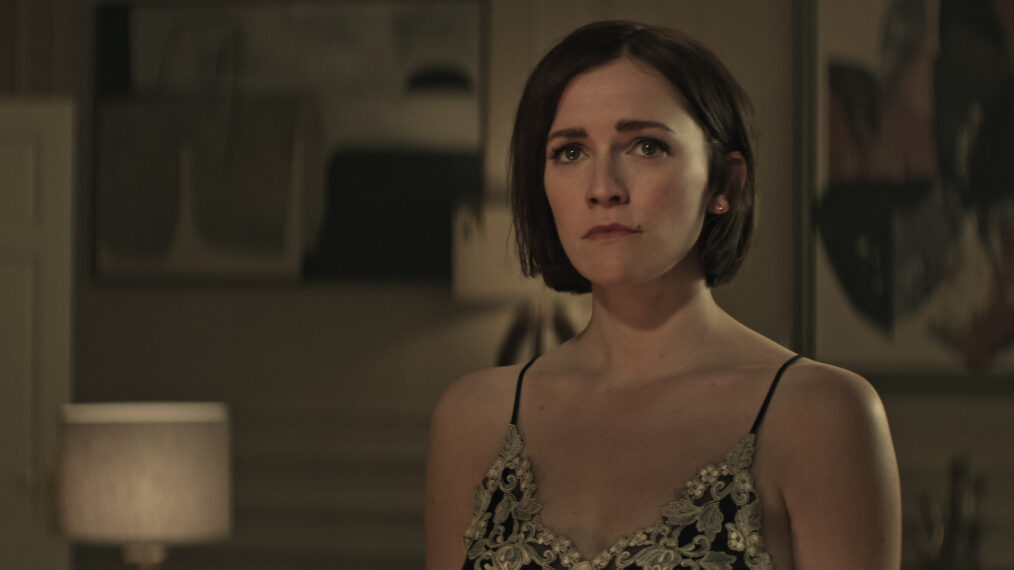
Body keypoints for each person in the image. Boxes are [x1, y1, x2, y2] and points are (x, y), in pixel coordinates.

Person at [426, 20, 901, 570]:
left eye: (646, 146)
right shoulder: (473, 418)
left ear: (725, 183)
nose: (603, 188)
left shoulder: (821, 415)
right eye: (570, 151)